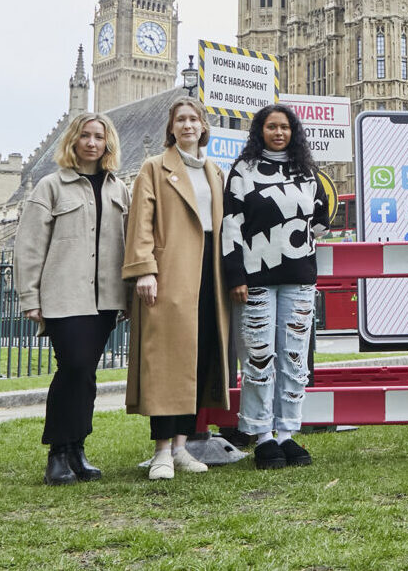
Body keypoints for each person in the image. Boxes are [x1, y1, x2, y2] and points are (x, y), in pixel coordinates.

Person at [15, 112, 128, 485]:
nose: (92, 143)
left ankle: (77, 449)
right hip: (65, 294)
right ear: (73, 142)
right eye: (85, 136)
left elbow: (129, 245)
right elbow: (29, 246)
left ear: (107, 143)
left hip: (106, 298)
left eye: (99, 137)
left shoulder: (118, 189)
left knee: (86, 373)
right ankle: (58, 452)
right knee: (74, 367)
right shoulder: (51, 186)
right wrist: (30, 296)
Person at [123, 97, 231, 480]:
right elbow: (141, 223)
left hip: (208, 273)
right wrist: (145, 271)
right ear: (171, 128)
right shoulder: (154, 167)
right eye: (180, 120)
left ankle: (182, 446)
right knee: (165, 363)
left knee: (196, 359)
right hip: (169, 272)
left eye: (194, 119)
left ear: (204, 127)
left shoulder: (214, 171)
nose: (188, 125)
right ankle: (161, 452)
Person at [222, 104, 329, 470]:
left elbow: (321, 217)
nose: (279, 133)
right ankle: (261, 434)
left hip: (298, 279)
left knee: (294, 358)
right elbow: (231, 225)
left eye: (284, 127)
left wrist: (293, 247)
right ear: (260, 131)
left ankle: (287, 432)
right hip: (254, 280)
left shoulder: (306, 171)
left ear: (293, 131)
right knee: (258, 357)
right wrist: (237, 273)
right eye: (272, 127)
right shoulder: (243, 171)